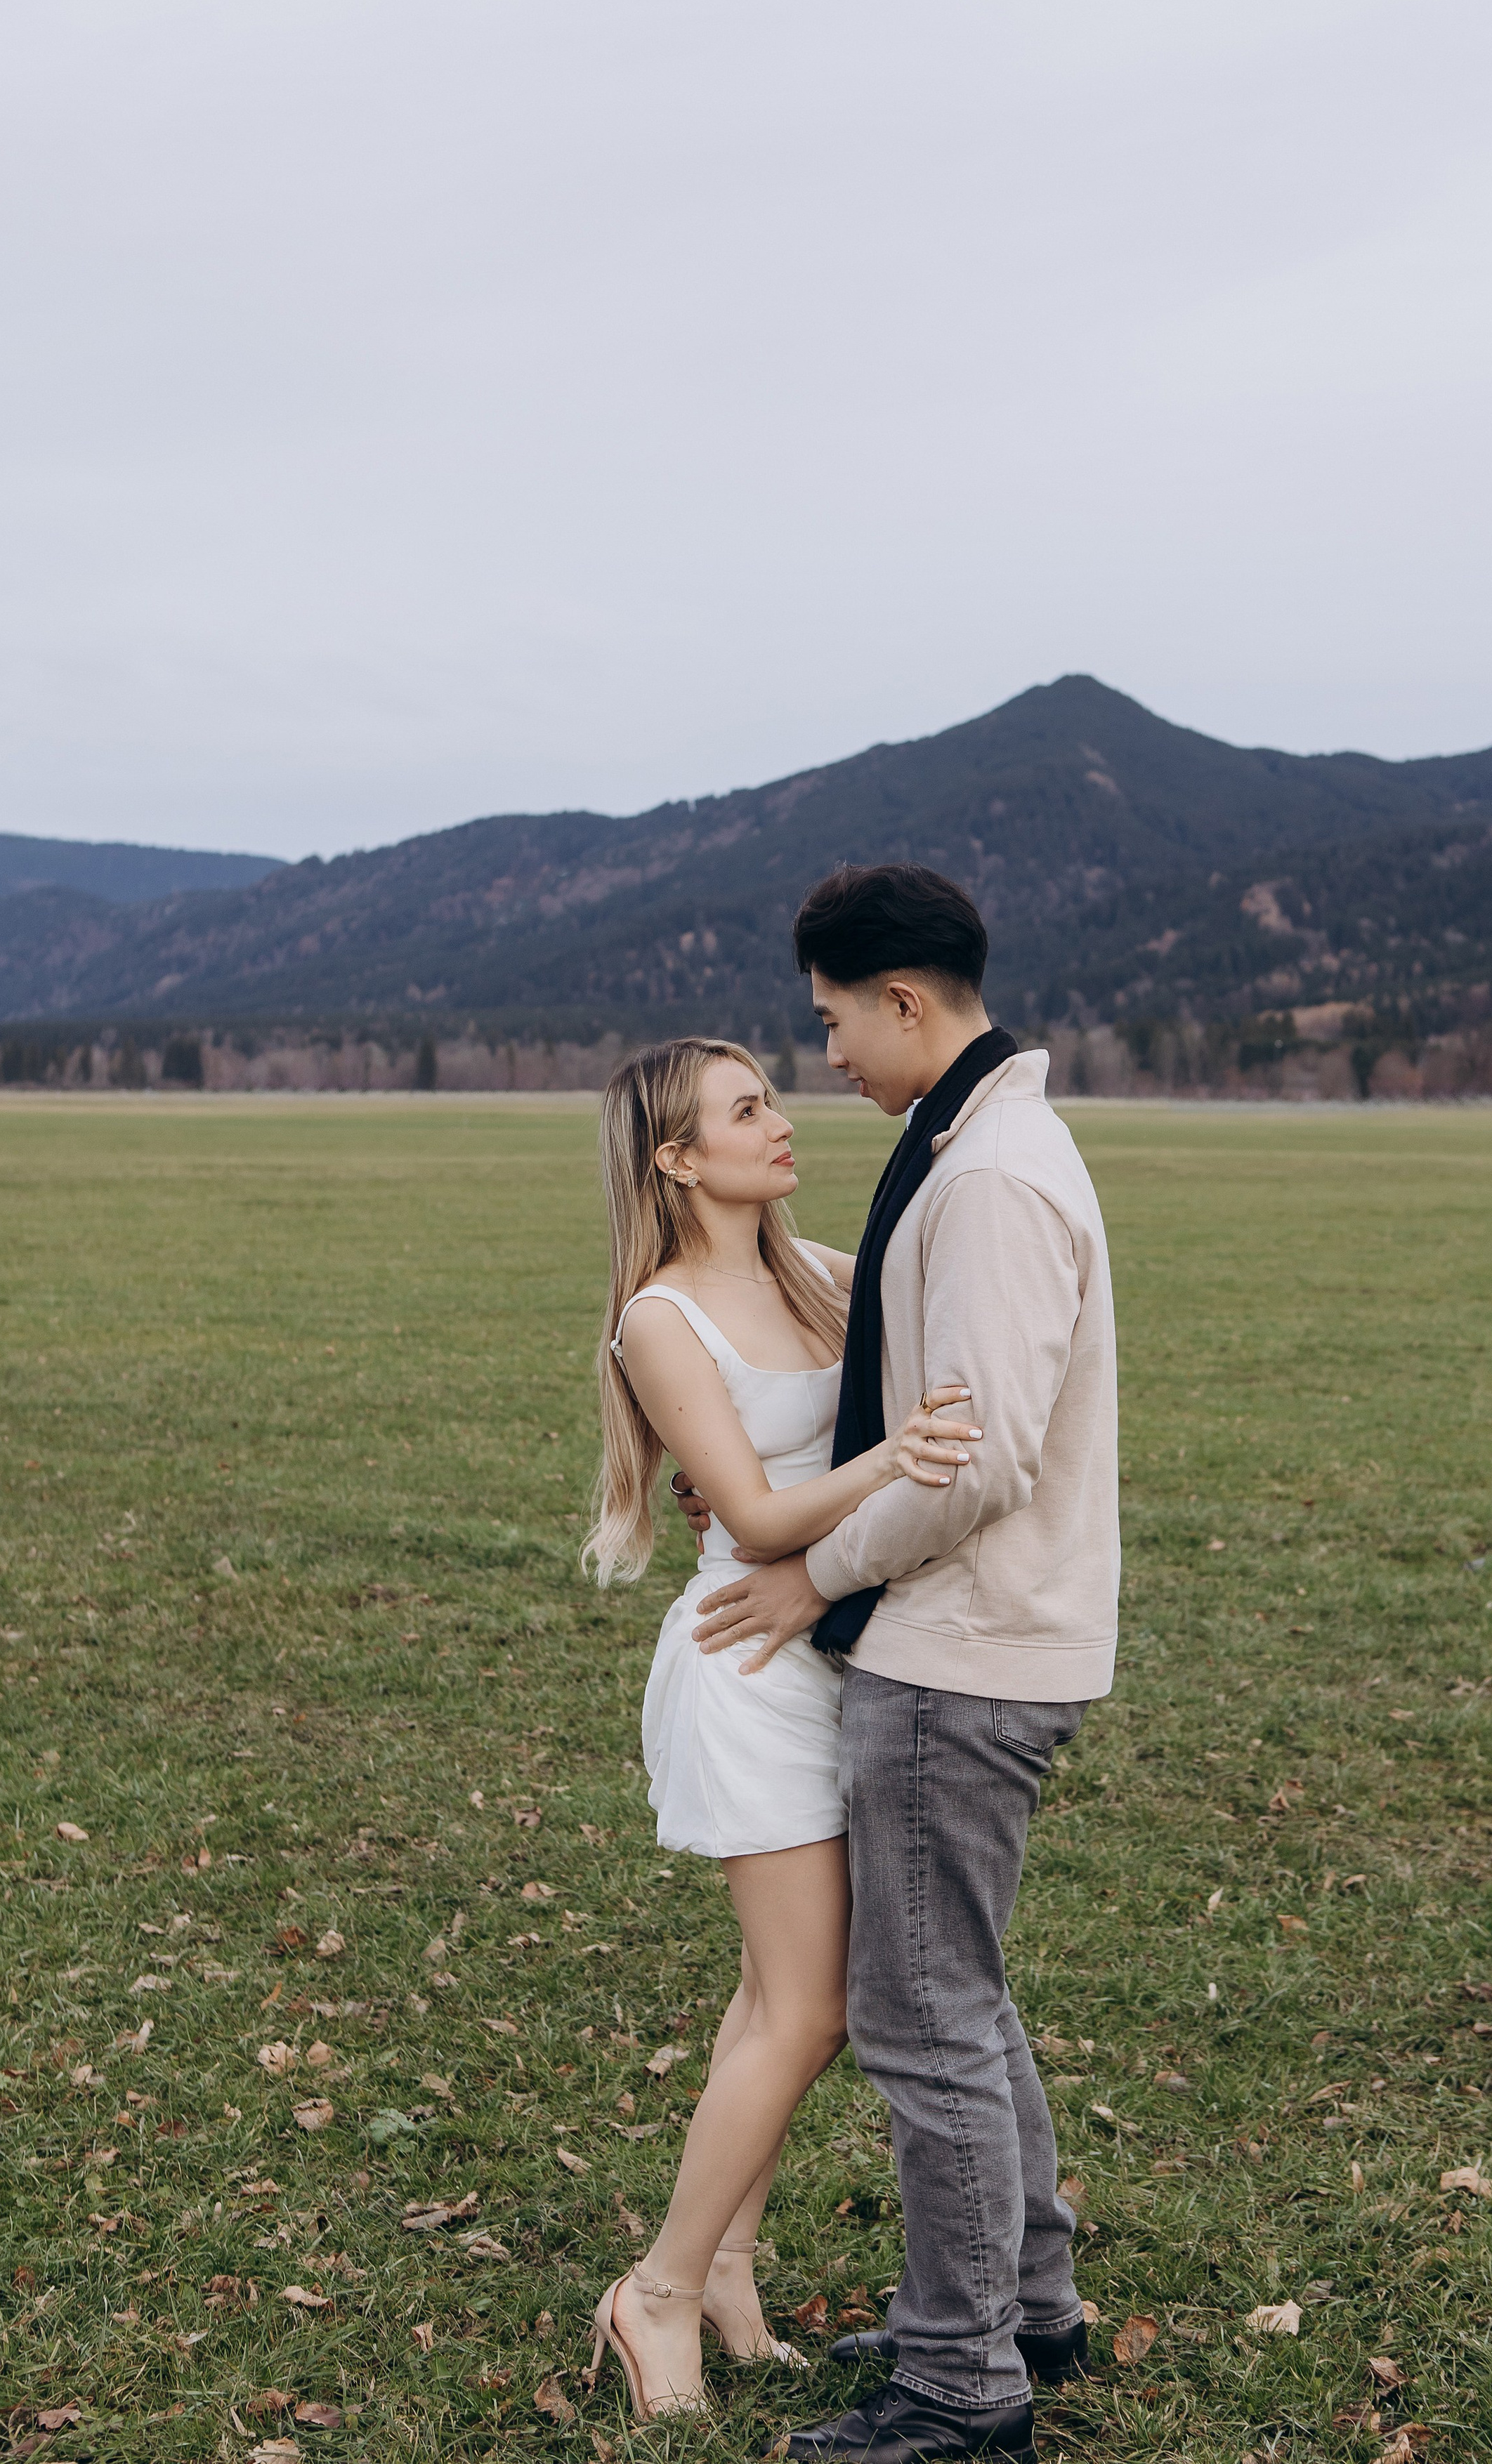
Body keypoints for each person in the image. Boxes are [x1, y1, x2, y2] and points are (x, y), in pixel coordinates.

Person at [686, 864, 1121, 2464]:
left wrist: (808, 1573)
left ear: (905, 1001)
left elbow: (976, 1460)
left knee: (922, 2018)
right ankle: (1029, 2308)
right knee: (963, 1996)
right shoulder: (970, 1145)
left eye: (832, 1024)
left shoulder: (991, 1177)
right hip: (971, 1640)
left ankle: (958, 2384)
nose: (827, 1059)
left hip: (960, 1655)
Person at [580, 1035, 983, 2421]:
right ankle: (658, 2292)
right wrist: (892, 1457)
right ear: (677, 1158)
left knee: (775, 1999)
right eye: (746, 1108)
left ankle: (729, 2269)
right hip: (746, 1661)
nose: (781, 1120)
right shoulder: (658, 1318)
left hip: (833, 1652)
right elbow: (749, 1517)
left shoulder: (820, 1277)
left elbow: (937, 1317)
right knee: (809, 2009)